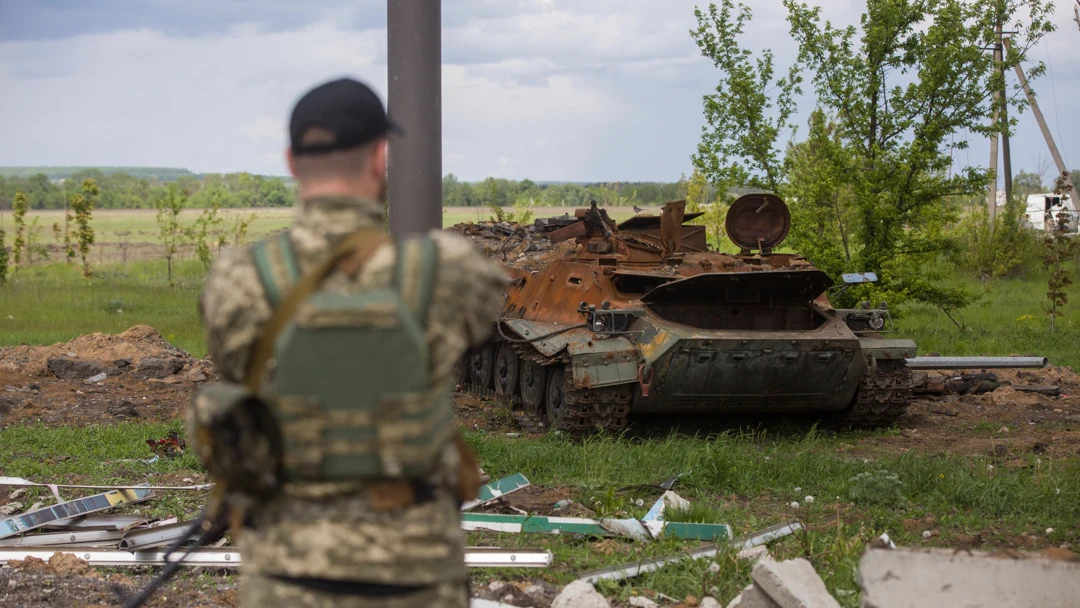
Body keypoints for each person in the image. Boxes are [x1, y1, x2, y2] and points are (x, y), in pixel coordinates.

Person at [193, 77, 507, 607]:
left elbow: (230, 365)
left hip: (287, 575)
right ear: (380, 158)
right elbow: (482, 325)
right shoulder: (447, 270)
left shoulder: (237, 279)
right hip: (416, 575)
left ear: (292, 162)